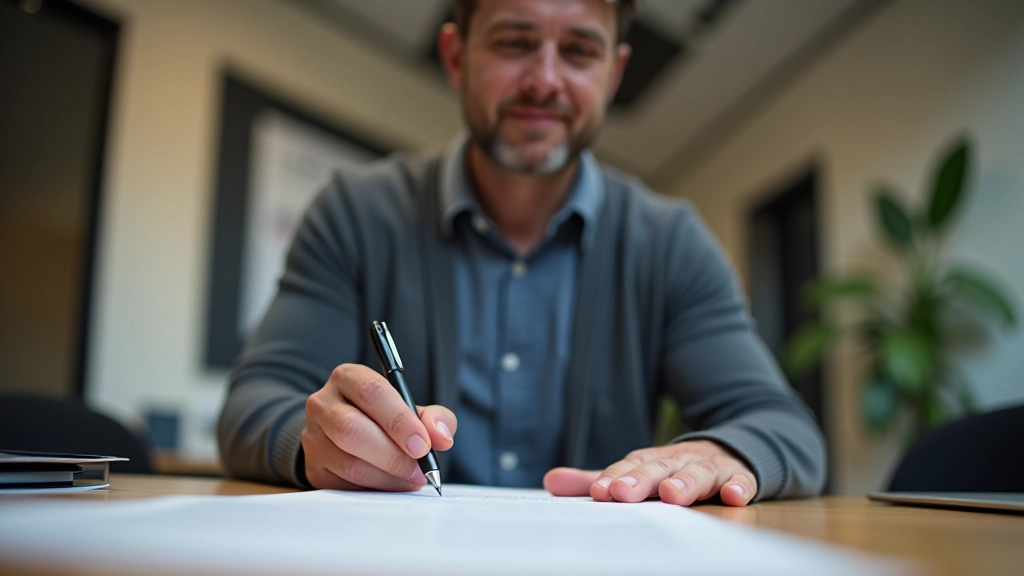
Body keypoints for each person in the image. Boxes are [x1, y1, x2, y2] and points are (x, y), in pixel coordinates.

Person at [218, 0, 826, 507]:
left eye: (580, 51)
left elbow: (784, 428)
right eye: (514, 43)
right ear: (457, 57)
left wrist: (720, 455)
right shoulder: (354, 213)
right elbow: (253, 405)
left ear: (613, 75)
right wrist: (317, 444)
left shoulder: (671, 242)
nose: (545, 80)